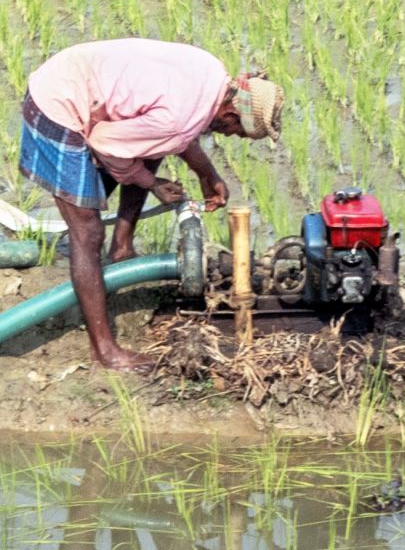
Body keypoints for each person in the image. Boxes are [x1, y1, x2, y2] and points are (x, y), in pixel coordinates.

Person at [15, 38, 281, 371]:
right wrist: (151, 183)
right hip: (57, 104)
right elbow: (107, 144)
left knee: (152, 146)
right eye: (236, 132)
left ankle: (122, 249)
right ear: (230, 113)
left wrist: (206, 172)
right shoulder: (179, 122)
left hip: (74, 73)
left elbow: (172, 131)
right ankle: (106, 352)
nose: (230, 137)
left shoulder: (212, 72)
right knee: (87, 231)